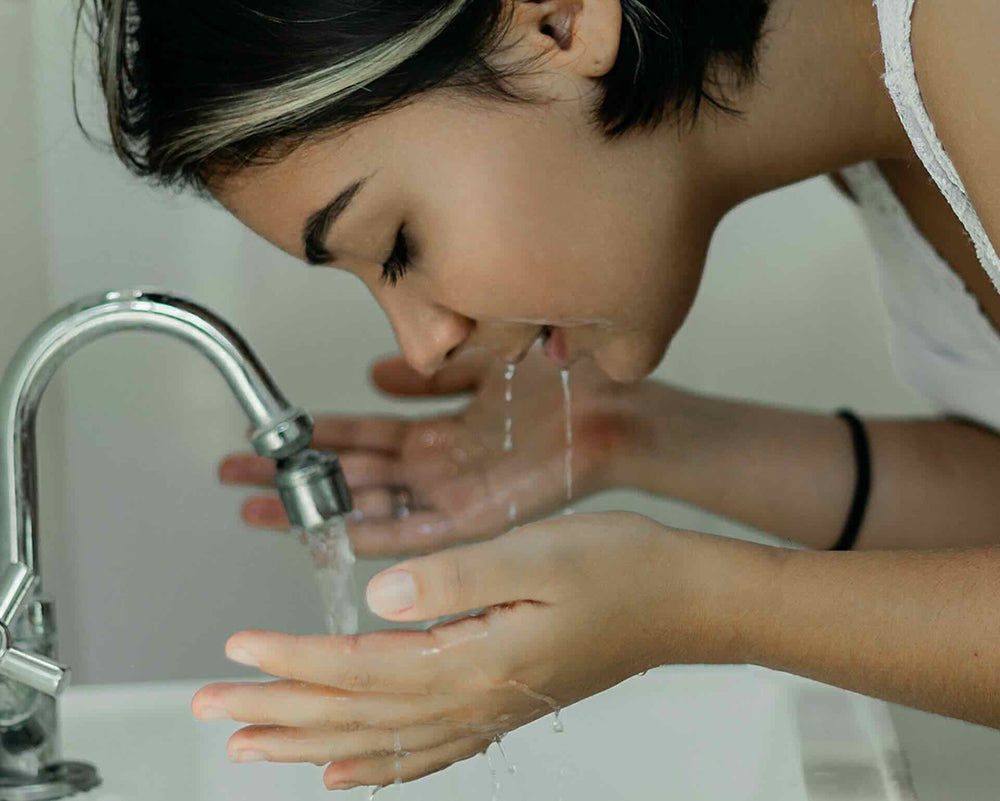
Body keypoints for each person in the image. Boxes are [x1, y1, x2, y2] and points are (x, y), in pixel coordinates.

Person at [79, 0, 1000, 789]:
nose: (425, 346)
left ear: (561, 21)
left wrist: (698, 602)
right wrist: (631, 436)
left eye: (399, 244)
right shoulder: (877, 127)